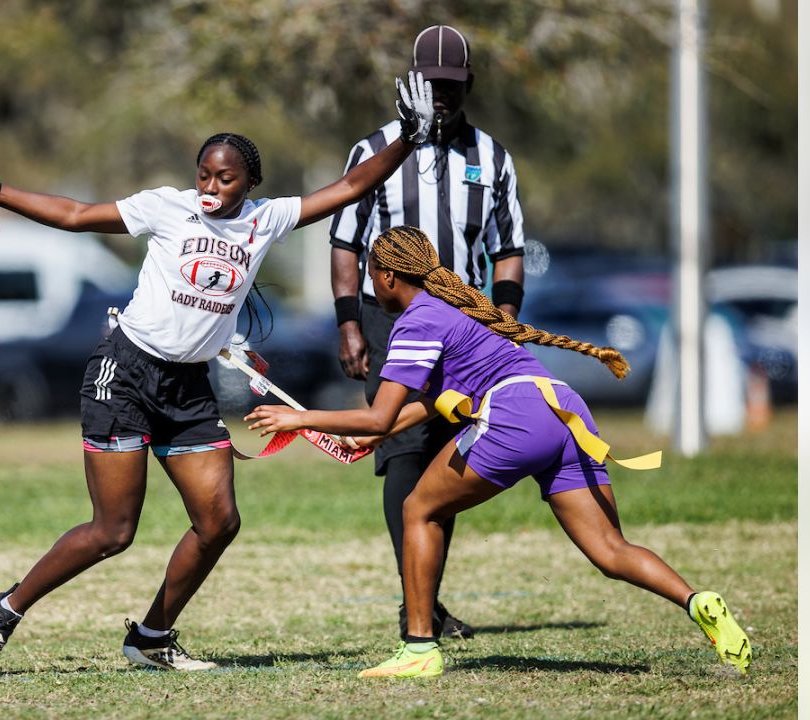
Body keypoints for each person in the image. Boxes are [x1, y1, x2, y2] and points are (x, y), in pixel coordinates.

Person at [0, 73, 437, 675]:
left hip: (188, 387)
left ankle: (153, 636)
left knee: (219, 521)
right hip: (125, 372)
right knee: (114, 530)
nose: (211, 187)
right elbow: (78, 214)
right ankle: (5, 608)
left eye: (226, 177)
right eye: (205, 174)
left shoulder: (265, 220)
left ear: (251, 184)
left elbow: (348, 187)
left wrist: (408, 140)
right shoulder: (167, 207)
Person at [246, 226, 752, 679]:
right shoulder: (457, 307)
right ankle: (697, 601)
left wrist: (301, 417)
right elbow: (425, 403)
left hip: (515, 415)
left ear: (389, 276)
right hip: (564, 411)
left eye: (371, 275)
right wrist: (375, 436)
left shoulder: (416, 320)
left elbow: (379, 413)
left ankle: (419, 647)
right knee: (611, 550)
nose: (370, 286)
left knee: (418, 509)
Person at [327, 24, 528, 640]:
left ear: (469, 86)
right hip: (391, 319)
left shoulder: (492, 157)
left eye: (452, 86)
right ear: (408, 83)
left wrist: (506, 318)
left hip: (464, 323)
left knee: (448, 455)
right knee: (401, 451)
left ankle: (426, 603)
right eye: (431, 84)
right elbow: (343, 243)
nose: (441, 96)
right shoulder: (374, 151)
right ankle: (420, 610)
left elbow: (509, 249)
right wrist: (349, 322)